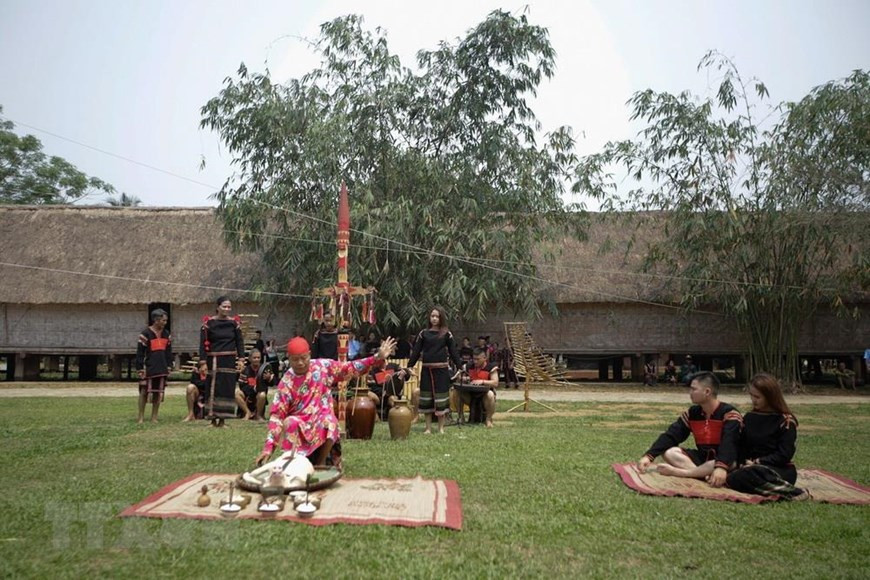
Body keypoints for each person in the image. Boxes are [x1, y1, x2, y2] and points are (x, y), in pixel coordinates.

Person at [254, 335, 397, 467]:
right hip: (299, 423)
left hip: (320, 420)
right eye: (295, 359)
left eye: (303, 358)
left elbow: (350, 368)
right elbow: (277, 416)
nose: (300, 363)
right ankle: (294, 462)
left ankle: (321, 463)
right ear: (289, 359)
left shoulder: (323, 367)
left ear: (309, 355)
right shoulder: (286, 382)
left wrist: (377, 357)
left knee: (330, 421)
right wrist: (268, 448)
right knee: (289, 422)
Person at [636, 371, 743, 487]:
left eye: (693, 389)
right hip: (702, 459)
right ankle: (703, 475)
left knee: (721, 463)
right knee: (669, 452)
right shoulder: (693, 413)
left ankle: (683, 473)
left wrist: (721, 466)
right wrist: (649, 456)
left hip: (725, 459)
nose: (690, 393)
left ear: (707, 392)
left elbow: (729, 443)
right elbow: (672, 435)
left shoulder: (729, 414)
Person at [726, 373, 809, 500]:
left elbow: (784, 454)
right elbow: (741, 446)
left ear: (770, 396)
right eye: (751, 395)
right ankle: (776, 490)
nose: (753, 400)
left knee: (750, 475)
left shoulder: (785, 421)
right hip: (749, 469)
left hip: (776, 469)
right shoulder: (749, 417)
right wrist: (742, 463)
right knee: (734, 477)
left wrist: (758, 462)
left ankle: (794, 492)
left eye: (757, 397)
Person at [399, 307, 463, 435]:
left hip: (441, 371)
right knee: (426, 398)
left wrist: (460, 367)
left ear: (441, 318)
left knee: (441, 398)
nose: (434, 318)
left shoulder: (446, 334)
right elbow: (416, 351)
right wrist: (409, 366)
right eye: (432, 316)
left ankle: (441, 428)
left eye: (437, 316)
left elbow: (453, 351)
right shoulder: (423, 334)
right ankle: (428, 428)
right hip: (427, 370)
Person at [199, 296, 245, 427]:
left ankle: (223, 419)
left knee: (227, 388)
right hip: (213, 359)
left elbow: (239, 342)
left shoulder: (234, 324)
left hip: (229, 360)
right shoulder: (208, 324)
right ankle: (212, 419)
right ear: (218, 307)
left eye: (229, 307)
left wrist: (241, 359)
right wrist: (203, 362)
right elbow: (203, 344)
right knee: (213, 388)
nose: (227, 309)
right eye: (224, 306)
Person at [135, 308, 172, 424]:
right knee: (144, 391)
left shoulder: (166, 334)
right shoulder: (145, 334)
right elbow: (140, 353)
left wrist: (169, 365)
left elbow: (168, 352)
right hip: (149, 367)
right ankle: (140, 417)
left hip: (162, 367)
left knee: (158, 392)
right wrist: (140, 368)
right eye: (163, 320)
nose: (165, 323)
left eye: (166, 320)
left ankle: (154, 417)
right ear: (156, 320)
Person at [457, 347, 498, 428]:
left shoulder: (491, 367)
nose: (475, 361)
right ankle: (461, 417)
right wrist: (464, 378)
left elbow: (495, 382)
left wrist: (482, 381)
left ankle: (488, 419)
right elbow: (459, 377)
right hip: (470, 395)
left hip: (484, 396)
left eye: (478, 359)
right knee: (457, 392)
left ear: (484, 358)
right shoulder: (469, 366)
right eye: (474, 359)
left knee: (490, 394)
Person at [235, 349, 276, 421]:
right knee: (237, 393)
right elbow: (242, 386)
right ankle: (247, 412)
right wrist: (254, 388)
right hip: (248, 397)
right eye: (254, 358)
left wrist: (269, 378)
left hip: (259, 396)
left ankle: (259, 415)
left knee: (262, 394)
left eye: (258, 357)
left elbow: (272, 383)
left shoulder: (265, 369)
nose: (256, 359)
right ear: (250, 359)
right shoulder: (245, 370)